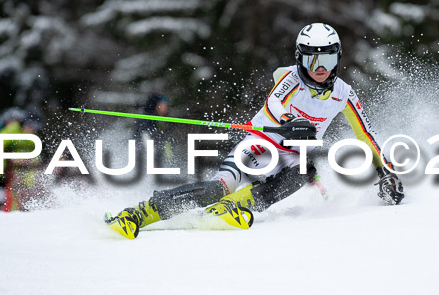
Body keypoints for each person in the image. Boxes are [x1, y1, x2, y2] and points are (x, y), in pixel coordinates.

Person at [106, 23, 404, 239]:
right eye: (311, 58)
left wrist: (386, 173)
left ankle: (238, 205)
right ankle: (139, 212)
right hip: (257, 148)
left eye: (326, 58)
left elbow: (367, 136)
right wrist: (290, 122)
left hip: (289, 161)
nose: (319, 67)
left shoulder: (345, 94)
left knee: (304, 170)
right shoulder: (290, 78)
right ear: (300, 57)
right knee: (214, 189)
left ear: (337, 58)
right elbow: (275, 103)